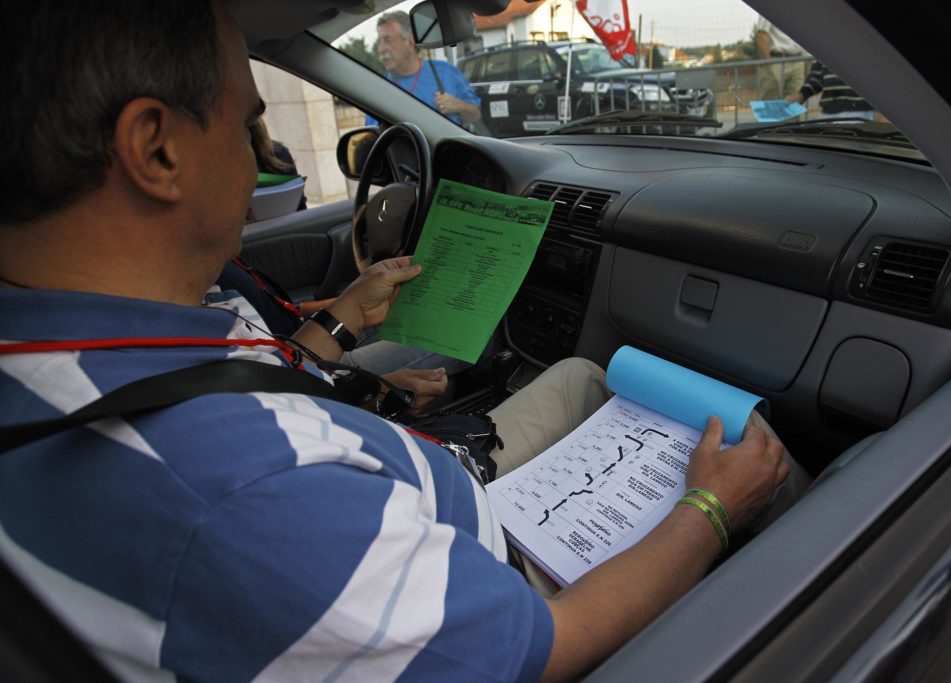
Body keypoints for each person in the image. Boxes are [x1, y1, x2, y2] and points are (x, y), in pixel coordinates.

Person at [0, 2, 803, 681]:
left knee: (584, 377)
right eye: (251, 128)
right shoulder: (240, 499)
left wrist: (341, 335)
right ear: (158, 148)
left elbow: (228, 382)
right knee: (726, 443)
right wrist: (709, 507)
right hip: (488, 560)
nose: (260, 159)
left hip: (407, 482)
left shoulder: (65, 336)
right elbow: (550, 646)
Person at [365, 11, 481, 126]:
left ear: (410, 42)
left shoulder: (446, 72)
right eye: (379, 41)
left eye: (387, 40)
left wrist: (459, 106)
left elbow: (476, 114)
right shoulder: (380, 89)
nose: (380, 49)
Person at [786, 61, 880, 121]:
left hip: (860, 112)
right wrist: (803, 93)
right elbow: (817, 75)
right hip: (828, 112)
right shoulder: (826, 42)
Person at [754, 17, 806, 100]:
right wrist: (768, 62)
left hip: (797, 59)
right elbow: (761, 33)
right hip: (777, 59)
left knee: (796, 103)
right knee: (771, 102)